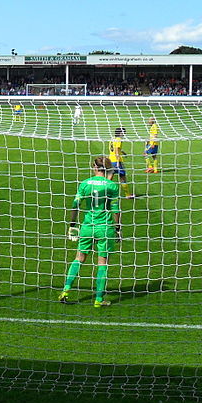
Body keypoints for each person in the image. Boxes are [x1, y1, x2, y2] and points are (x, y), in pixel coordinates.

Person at [59, 156, 121, 308]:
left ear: (94, 167)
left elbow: (75, 205)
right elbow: (115, 209)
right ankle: (98, 300)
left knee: (79, 258)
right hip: (104, 228)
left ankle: (66, 290)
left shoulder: (85, 183)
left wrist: (72, 225)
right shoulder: (112, 185)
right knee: (102, 263)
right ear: (106, 168)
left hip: (87, 226)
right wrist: (117, 228)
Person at [107, 127, 134, 199]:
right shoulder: (119, 140)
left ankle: (104, 192)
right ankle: (127, 194)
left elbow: (113, 149)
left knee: (110, 177)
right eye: (123, 133)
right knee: (122, 177)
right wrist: (118, 161)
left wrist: (122, 152)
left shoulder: (112, 139)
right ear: (120, 133)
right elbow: (116, 150)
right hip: (116, 161)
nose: (124, 134)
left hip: (111, 160)